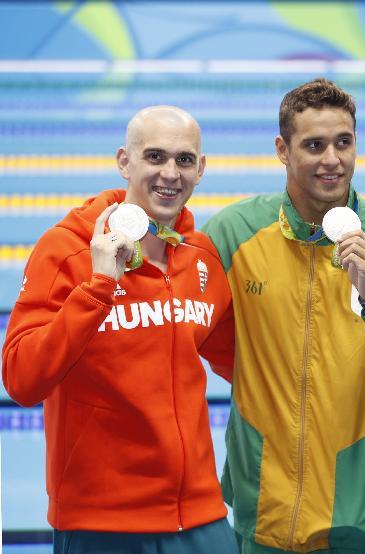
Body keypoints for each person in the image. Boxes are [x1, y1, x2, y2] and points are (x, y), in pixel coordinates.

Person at [202, 78, 365, 553]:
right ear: (282, 149)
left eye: (343, 142)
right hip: (264, 521)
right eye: (314, 145)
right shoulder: (234, 234)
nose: (332, 160)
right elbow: (186, 326)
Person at [1, 106, 238, 553]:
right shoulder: (66, 251)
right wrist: (98, 289)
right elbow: (21, 380)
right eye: (154, 157)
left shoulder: (202, 258)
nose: (170, 173)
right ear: (124, 161)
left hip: (202, 517)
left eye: (184, 160)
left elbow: (247, 366)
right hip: (102, 521)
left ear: (201, 169)